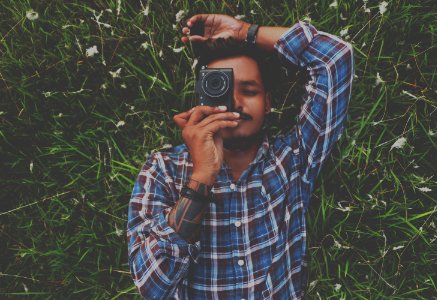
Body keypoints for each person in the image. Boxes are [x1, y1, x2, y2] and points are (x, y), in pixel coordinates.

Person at [127, 13, 354, 299]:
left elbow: (336, 58)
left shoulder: (294, 157)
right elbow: (151, 286)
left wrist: (245, 32)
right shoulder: (163, 169)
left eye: (249, 90)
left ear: (268, 102)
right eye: (218, 89)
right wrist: (201, 178)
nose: (234, 102)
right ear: (201, 99)